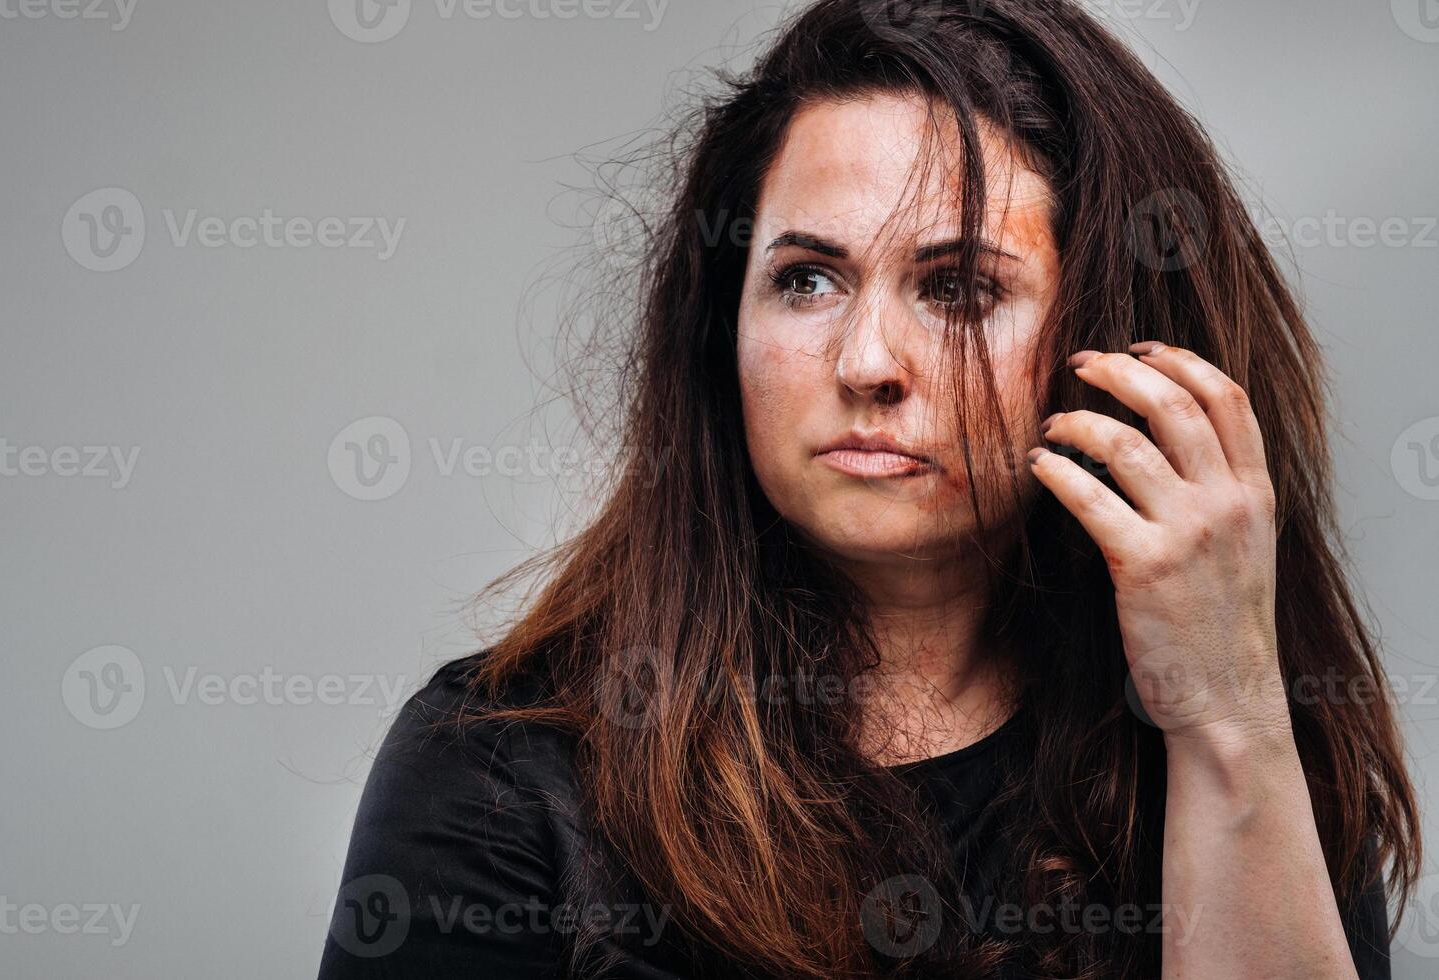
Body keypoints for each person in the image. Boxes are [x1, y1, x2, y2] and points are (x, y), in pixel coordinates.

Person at [318, 1, 1420, 976]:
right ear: (723, 328)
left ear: (1114, 345)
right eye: (806, 279)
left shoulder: (1253, 745)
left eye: (957, 288)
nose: (865, 362)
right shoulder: (504, 765)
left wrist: (1225, 719)